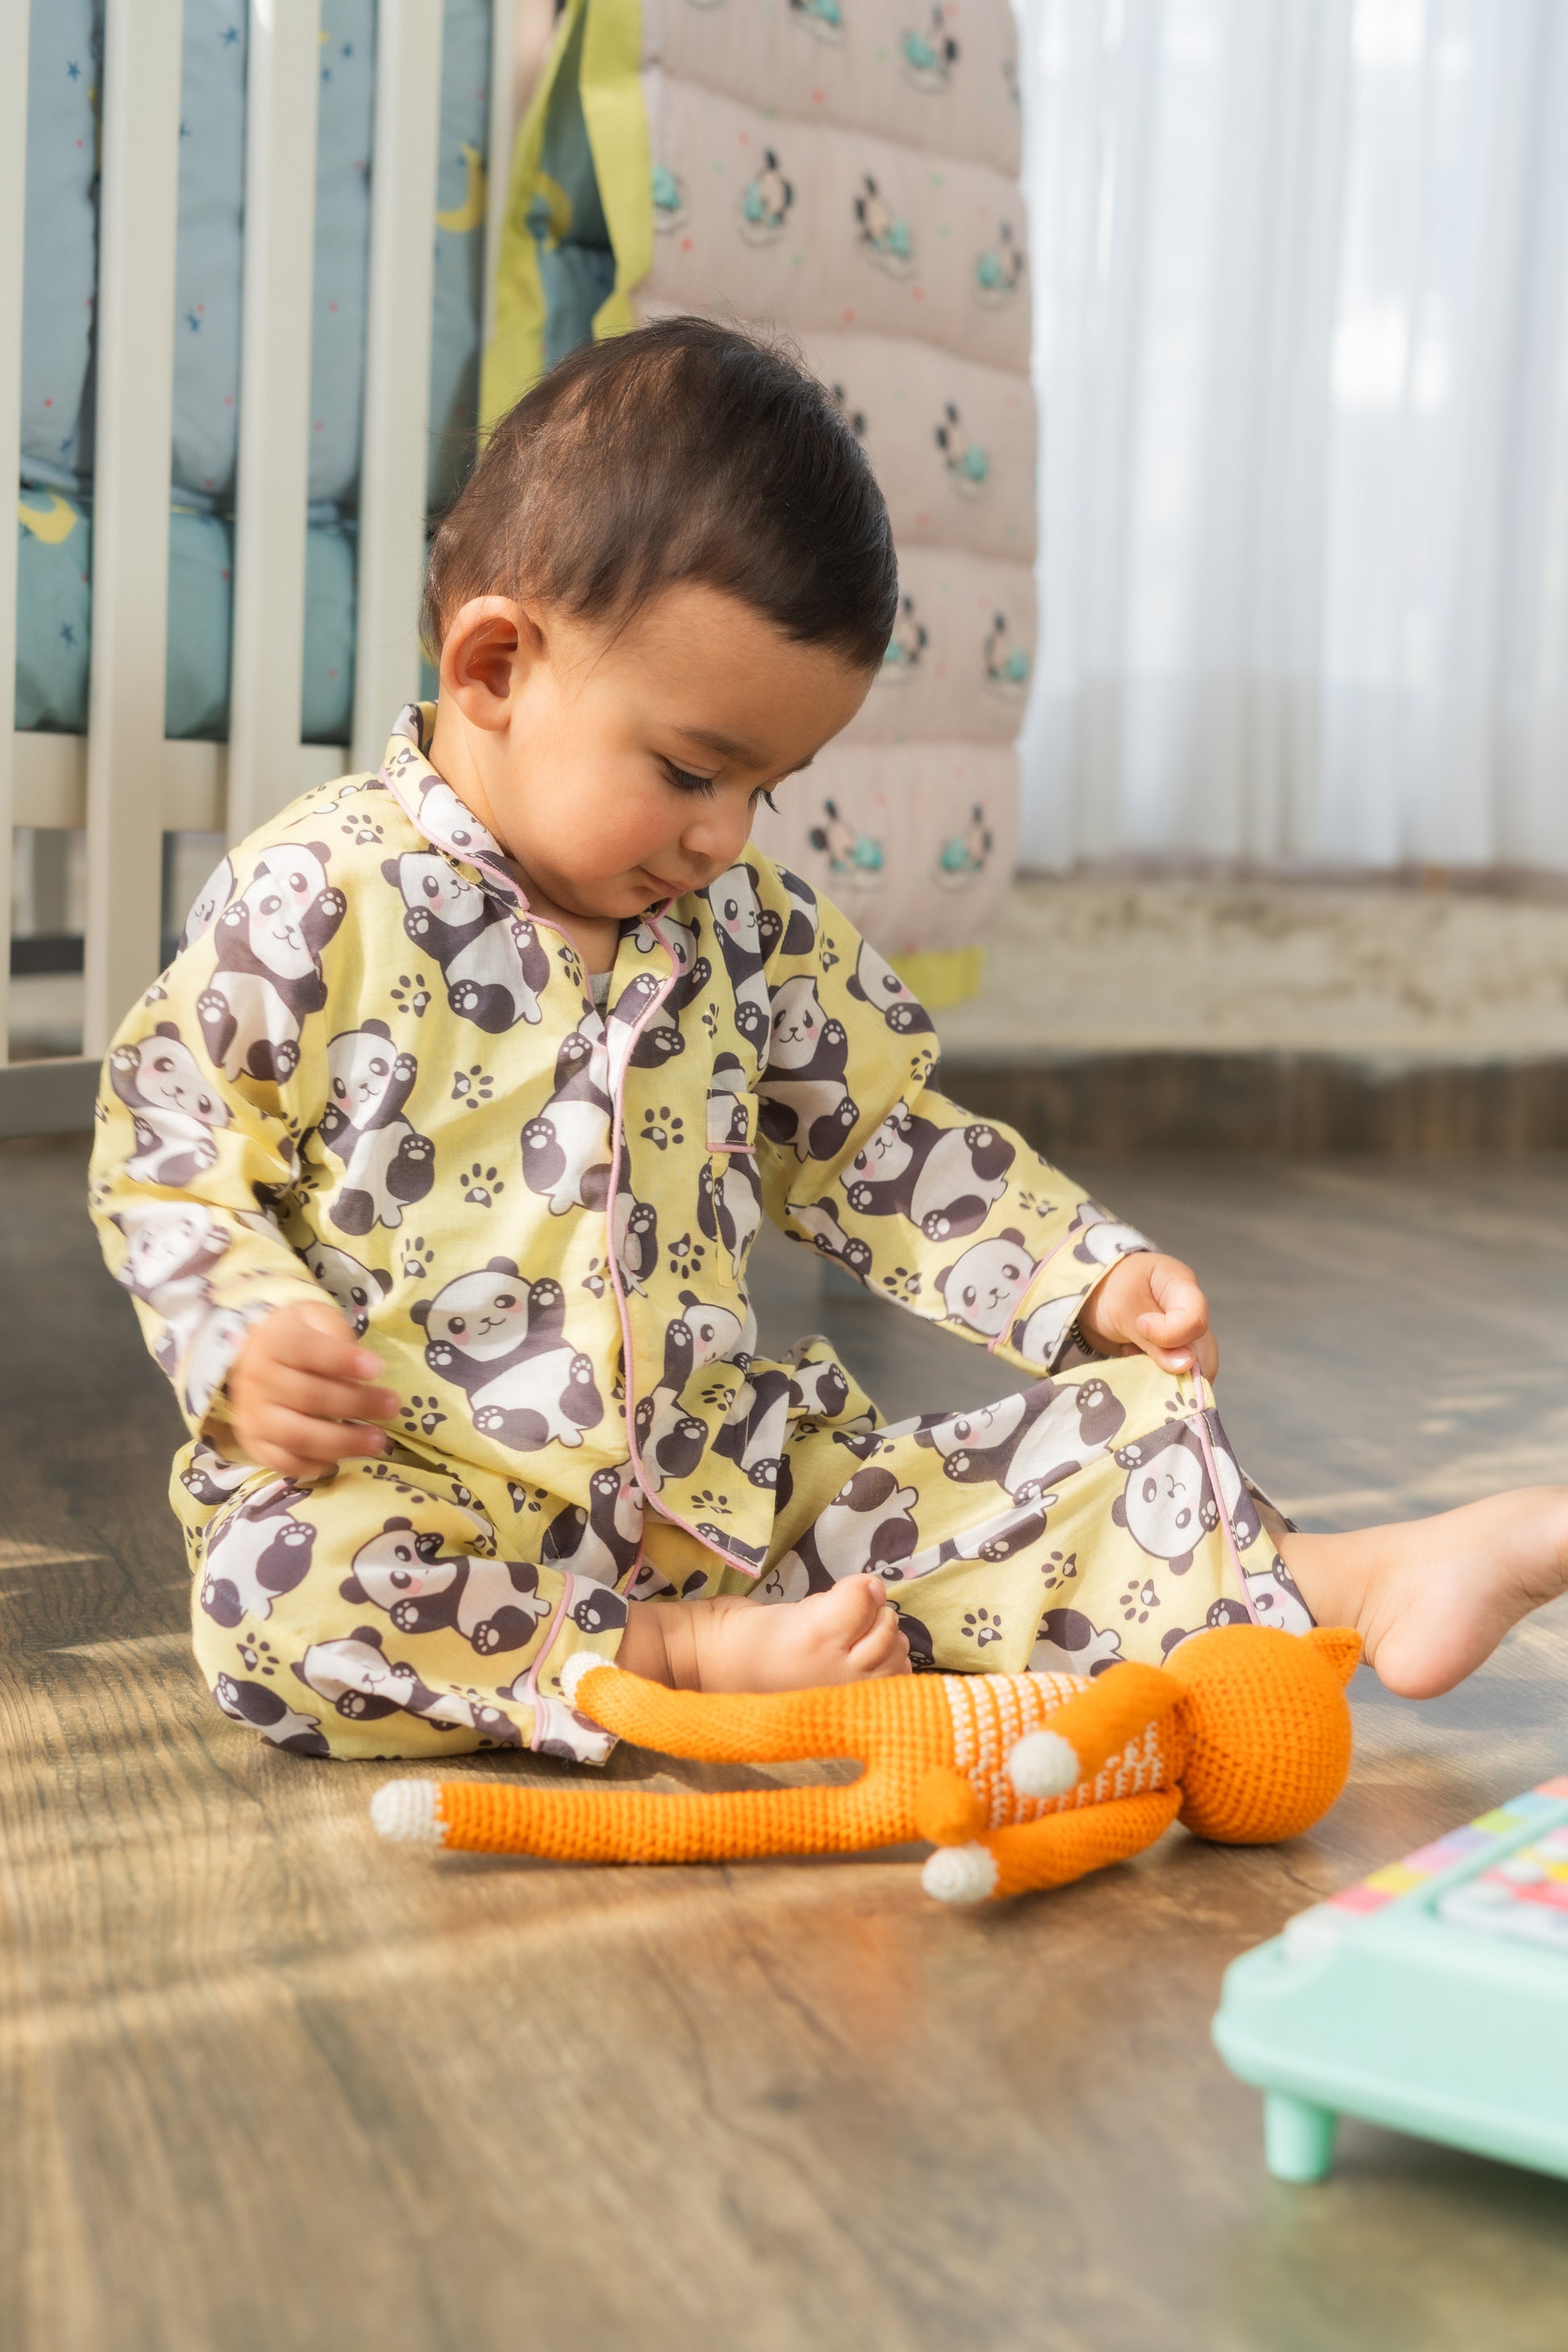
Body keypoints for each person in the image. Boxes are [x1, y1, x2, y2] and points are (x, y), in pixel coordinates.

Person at [89, 318, 1568, 1765]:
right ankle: (670, 1664)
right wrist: (240, 1333)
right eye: (690, 771)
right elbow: (171, 1148)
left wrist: (1082, 1275)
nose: (723, 834)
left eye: (768, 789)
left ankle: (1351, 1583)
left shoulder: (743, 928)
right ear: (492, 668)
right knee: (277, 1600)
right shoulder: (320, 897)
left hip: (723, 1497)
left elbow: (880, 1145)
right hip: (425, 1501)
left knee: (1043, 1462)